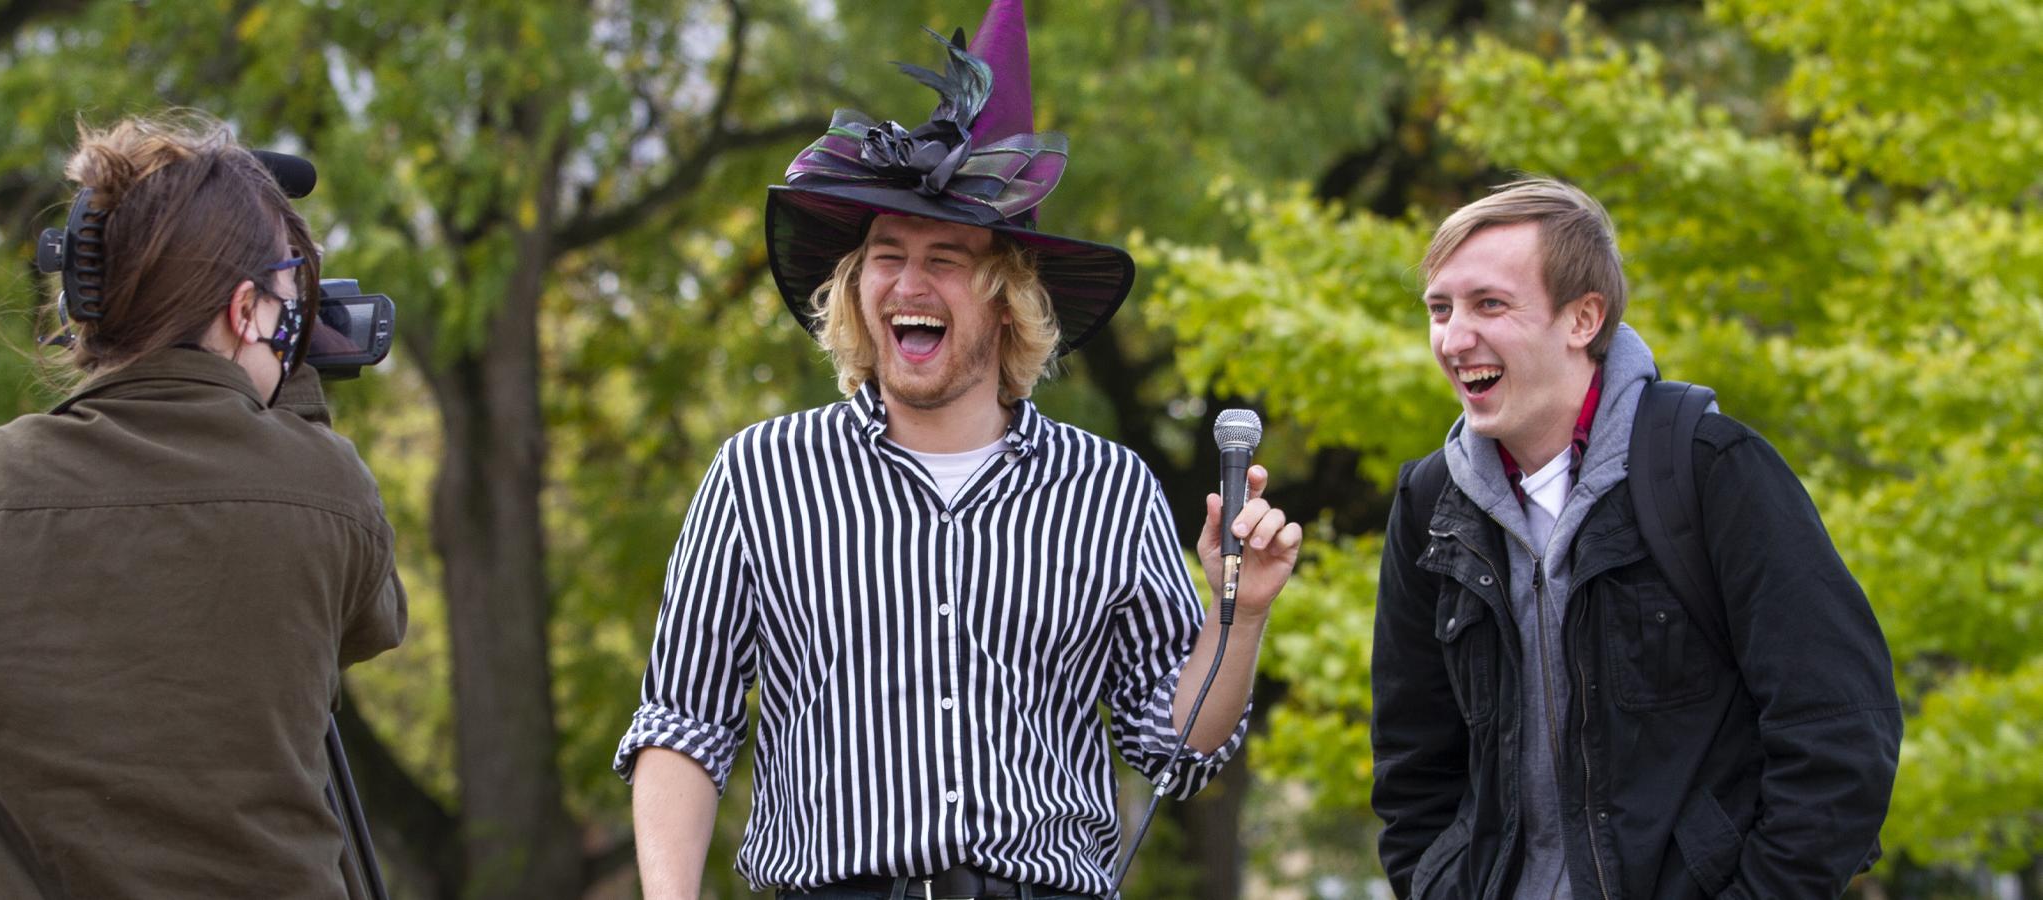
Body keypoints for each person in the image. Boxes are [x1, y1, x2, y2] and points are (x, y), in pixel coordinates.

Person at [613, 3, 1302, 898]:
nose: (908, 282)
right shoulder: (759, 474)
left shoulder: (1107, 487)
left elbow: (1174, 753)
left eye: (945, 258)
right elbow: (684, 723)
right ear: (857, 287)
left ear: (1007, 298)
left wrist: (1236, 620)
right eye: (887, 255)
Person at [0, 114, 406, 898]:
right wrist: (292, 387)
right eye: (288, 303)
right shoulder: (330, 492)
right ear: (246, 311)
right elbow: (374, 618)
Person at [1369, 177, 1901, 899]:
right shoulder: (1429, 504)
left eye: (1489, 304)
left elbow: (1841, 736)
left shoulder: (1711, 471)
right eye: (1440, 309)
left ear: (1582, 318)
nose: (1455, 338)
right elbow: (1411, 769)